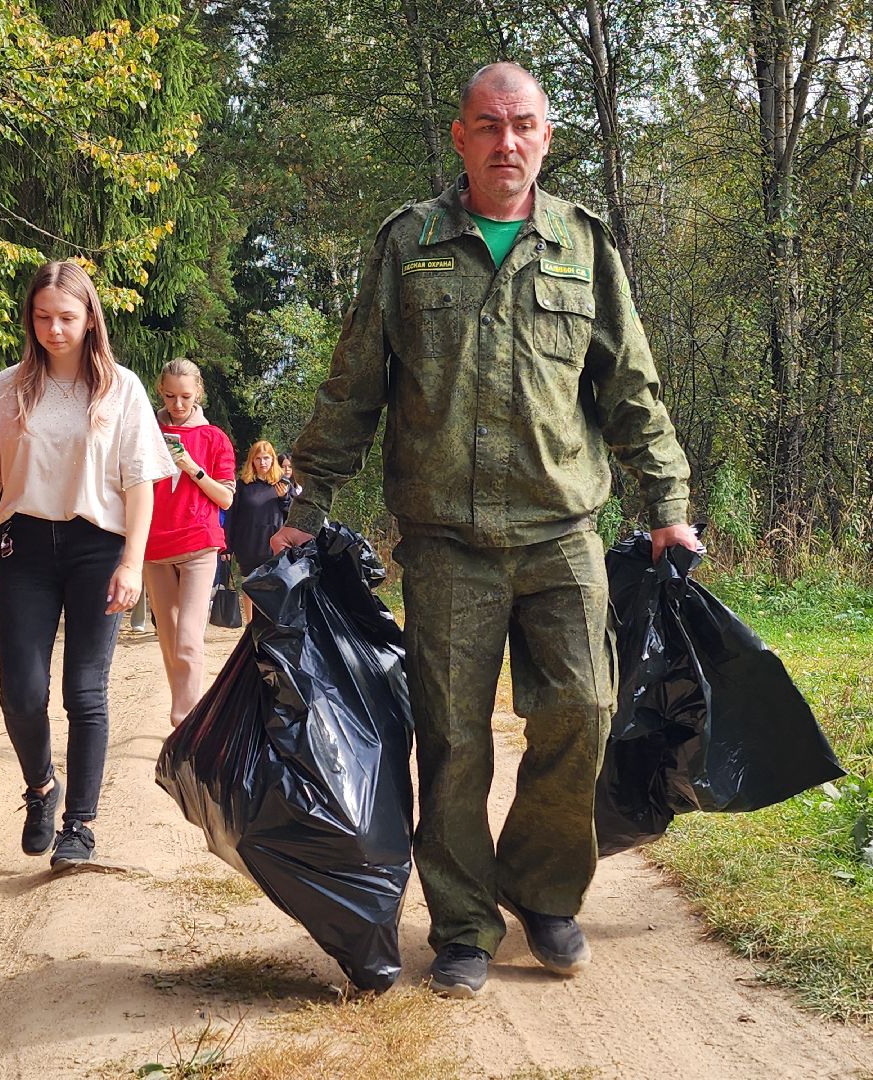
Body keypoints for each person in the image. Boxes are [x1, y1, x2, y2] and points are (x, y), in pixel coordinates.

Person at [271, 63, 702, 996]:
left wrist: (668, 503)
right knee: (453, 739)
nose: (508, 142)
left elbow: (630, 386)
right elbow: (353, 387)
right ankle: (463, 924)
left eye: (525, 126)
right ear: (460, 137)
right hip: (448, 542)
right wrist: (306, 509)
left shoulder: (584, 244)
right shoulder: (409, 243)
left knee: (581, 713)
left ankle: (544, 893)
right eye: (489, 126)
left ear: (546, 138)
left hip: (562, 532)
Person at [0, 261, 174, 868]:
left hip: (97, 544)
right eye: (42, 317)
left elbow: (141, 483)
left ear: (90, 318)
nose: (54, 329)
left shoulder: (121, 389)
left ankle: (80, 825)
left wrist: (133, 561)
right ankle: (42, 787)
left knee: (85, 691)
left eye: (66, 317)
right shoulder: (7, 389)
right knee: (21, 692)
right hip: (23, 544)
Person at [144, 359, 235, 727]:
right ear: (160, 391)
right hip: (154, 546)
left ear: (198, 392)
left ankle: (187, 723)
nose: (177, 405)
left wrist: (192, 467)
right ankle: (184, 712)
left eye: (184, 396)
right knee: (168, 638)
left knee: (188, 639)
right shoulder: (145, 430)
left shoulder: (215, 438)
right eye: (169, 396)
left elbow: (226, 499)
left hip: (200, 542)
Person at [226, 440, 292, 623]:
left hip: (274, 545)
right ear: (252, 461)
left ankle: (274, 625)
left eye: (266, 458)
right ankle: (251, 625)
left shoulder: (282, 484)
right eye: (258, 459)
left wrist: (284, 498)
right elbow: (231, 517)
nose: (262, 463)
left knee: (275, 586)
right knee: (251, 585)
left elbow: (293, 516)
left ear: (273, 460)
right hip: (249, 544)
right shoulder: (243, 485)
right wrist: (227, 546)